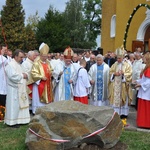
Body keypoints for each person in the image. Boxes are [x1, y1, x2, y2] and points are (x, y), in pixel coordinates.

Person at [4, 49, 30, 127]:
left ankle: (21, 120)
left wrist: (26, 74)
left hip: (21, 88)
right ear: (15, 56)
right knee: (14, 106)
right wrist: (22, 75)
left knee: (20, 104)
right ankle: (12, 122)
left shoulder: (19, 64)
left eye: (23, 57)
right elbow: (12, 76)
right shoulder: (10, 65)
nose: (22, 59)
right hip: (13, 89)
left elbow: (26, 72)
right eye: (20, 57)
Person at [108, 47, 132, 119]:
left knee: (123, 98)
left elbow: (130, 74)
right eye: (117, 58)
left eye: (120, 58)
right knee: (115, 99)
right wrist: (114, 74)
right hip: (115, 86)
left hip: (123, 86)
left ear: (122, 57)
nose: (118, 60)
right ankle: (116, 113)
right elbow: (110, 72)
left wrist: (123, 74)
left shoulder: (127, 65)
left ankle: (123, 114)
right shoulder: (115, 64)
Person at [31, 43, 53, 114]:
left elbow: (51, 70)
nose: (45, 57)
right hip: (39, 84)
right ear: (40, 55)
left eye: (46, 56)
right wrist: (40, 77)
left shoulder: (48, 63)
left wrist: (51, 73)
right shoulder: (36, 63)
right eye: (43, 56)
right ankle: (36, 111)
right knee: (38, 98)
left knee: (47, 98)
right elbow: (33, 73)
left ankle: (46, 111)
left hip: (47, 83)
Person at [135, 52, 150, 128]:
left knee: (146, 109)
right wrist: (137, 81)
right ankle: (142, 123)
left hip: (147, 92)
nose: (143, 59)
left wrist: (140, 85)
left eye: (144, 58)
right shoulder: (146, 68)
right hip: (143, 92)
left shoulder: (149, 69)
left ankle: (146, 123)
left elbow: (148, 82)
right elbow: (143, 79)